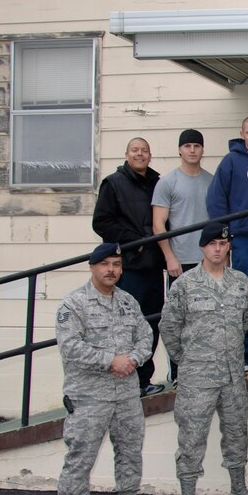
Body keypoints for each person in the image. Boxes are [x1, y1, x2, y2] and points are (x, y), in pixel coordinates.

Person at [54, 243, 163, 495]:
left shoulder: (128, 302)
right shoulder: (73, 304)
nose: (111, 270)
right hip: (90, 397)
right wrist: (110, 360)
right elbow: (70, 346)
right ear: (92, 267)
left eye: (116, 264)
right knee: (80, 457)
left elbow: (146, 335)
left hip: (126, 394)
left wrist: (132, 359)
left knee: (130, 452)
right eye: (105, 264)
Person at [159, 223, 248, 495]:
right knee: (191, 439)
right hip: (197, 378)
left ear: (229, 247)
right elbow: (169, 327)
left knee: (236, 435)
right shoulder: (185, 284)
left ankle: (239, 490)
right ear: (202, 248)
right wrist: (187, 360)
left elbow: (244, 322)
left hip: (232, 376)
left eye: (223, 243)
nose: (218, 248)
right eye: (212, 244)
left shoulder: (241, 282)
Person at [92, 137, 165, 396]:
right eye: (135, 150)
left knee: (152, 323)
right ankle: (128, 381)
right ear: (126, 154)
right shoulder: (113, 183)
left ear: (150, 155)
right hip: (130, 267)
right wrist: (136, 242)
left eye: (144, 150)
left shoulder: (158, 183)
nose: (140, 154)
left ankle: (144, 378)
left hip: (155, 266)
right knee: (128, 325)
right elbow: (101, 222)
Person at [205, 116, 248, 364]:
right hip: (244, 241)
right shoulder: (231, 161)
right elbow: (215, 200)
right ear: (242, 134)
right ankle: (243, 357)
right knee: (241, 300)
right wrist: (225, 237)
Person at [152, 128, 214, 385]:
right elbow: (158, 224)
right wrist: (169, 257)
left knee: (207, 317)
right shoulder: (168, 182)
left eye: (196, 146)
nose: (192, 150)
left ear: (202, 149)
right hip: (180, 262)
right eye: (187, 145)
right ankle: (177, 372)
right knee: (179, 320)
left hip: (208, 262)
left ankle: (204, 368)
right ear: (179, 149)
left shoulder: (211, 181)